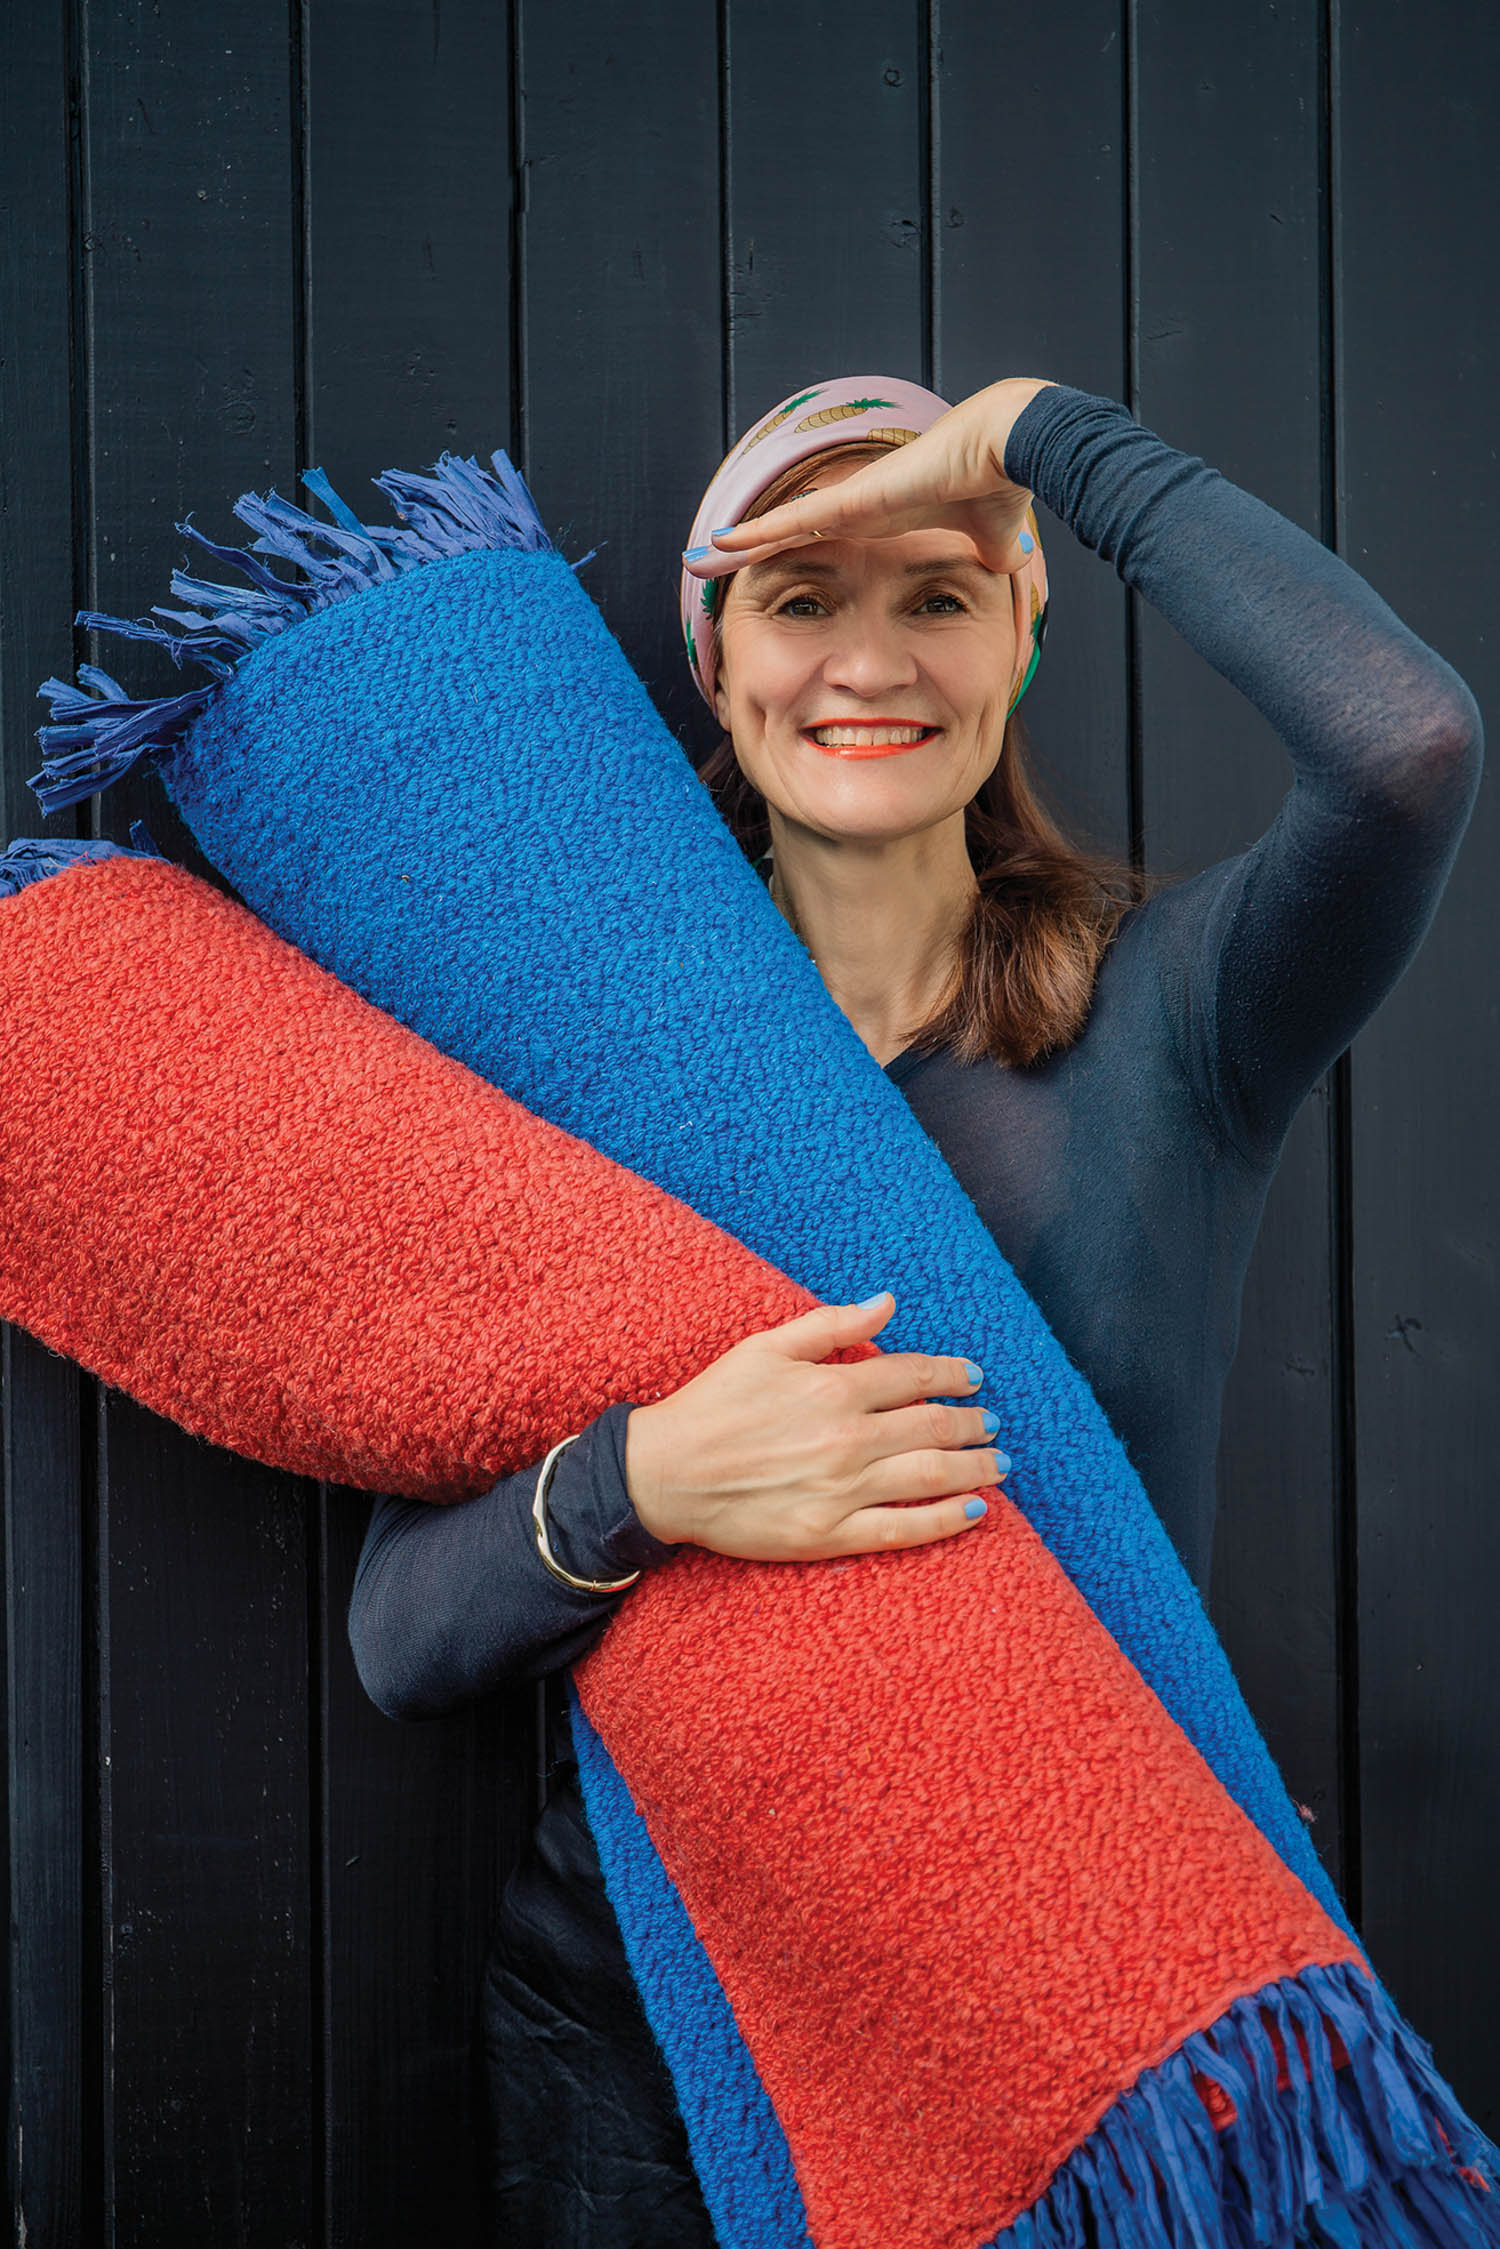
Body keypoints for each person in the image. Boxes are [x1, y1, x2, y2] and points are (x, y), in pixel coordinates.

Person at [348, 372, 1482, 2245]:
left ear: (1025, 640)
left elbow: (1408, 745)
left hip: (1065, 1987)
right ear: (714, 659)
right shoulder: (585, 1069)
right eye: (800, 596)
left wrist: (1042, 436)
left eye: (939, 592)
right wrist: (650, 1474)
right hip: (640, 2013)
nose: (867, 657)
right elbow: (402, 1631)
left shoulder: (1180, 1013)